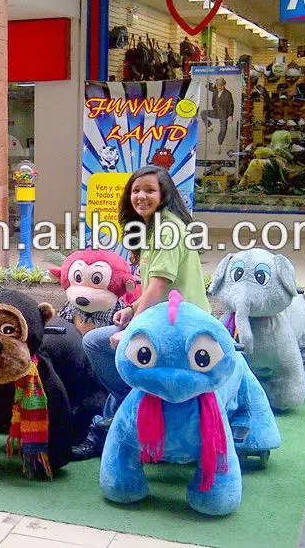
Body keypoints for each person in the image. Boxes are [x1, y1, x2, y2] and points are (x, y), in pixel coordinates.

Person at [71, 165, 210, 461]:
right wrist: (131, 310)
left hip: (178, 328)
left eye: (149, 190)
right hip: (166, 320)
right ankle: (115, 420)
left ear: (164, 195)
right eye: (136, 190)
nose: (141, 196)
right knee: (105, 341)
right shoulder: (154, 228)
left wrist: (131, 328)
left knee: (96, 342)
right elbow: (155, 285)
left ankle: (128, 408)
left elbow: (158, 286)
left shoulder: (167, 229)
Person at [200, 76, 235, 148]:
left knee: (223, 129)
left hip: (224, 114)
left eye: (220, 86)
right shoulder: (215, 90)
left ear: (224, 85)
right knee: (203, 113)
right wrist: (213, 81)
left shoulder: (228, 94)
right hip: (215, 112)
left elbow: (231, 105)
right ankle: (209, 126)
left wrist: (230, 115)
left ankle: (219, 144)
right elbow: (207, 86)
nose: (218, 88)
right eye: (217, 86)